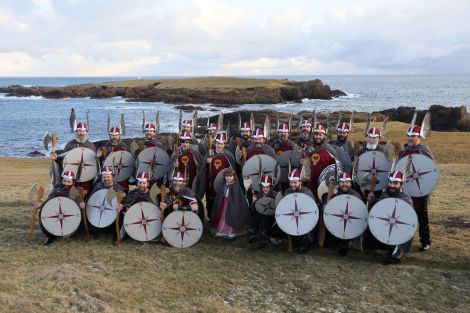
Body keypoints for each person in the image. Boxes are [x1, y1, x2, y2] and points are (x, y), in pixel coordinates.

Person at [398, 125, 435, 251]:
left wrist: (426, 187)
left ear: (420, 137)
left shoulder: (424, 151)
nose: (410, 138)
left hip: (421, 190)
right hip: (406, 189)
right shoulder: (403, 152)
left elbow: (431, 171)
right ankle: (403, 243)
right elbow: (399, 171)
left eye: (413, 136)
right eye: (409, 136)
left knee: (422, 216)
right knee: (405, 216)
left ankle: (425, 241)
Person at [367, 170, 414, 265]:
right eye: (390, 182)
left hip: (400, 228)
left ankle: (395, 256)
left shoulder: (405, 199)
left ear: (401, 184)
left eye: (395, 183)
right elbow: (377, 209)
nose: (392, 185)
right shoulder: (386, 194)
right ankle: (382, 245)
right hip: (387, 225)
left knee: (399, 227)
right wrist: (372, 202)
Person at [196, 132, 236, 221]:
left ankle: (221, 219)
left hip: (222, 183)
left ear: (224, 144)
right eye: (218, 143)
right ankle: (210, 217)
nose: (219, 146)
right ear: (215, 143)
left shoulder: (227, 155)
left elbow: (231, 170)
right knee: (210, 200)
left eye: (221, 144)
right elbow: (202, 169)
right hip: (210, 182)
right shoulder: (209, 154)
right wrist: (207, 163)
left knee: (221, 200)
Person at [50, 121, 97, 193]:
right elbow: (63, 158)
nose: (81, 133)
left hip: (87, 176)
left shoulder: (91, 146)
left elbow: (95, 162)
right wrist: (56, 158)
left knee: (86, 192)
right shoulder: (70, 144)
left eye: (83, 131)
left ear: (86, 132)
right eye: (79, 131)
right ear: (76, 132)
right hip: (71, 176)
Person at [35, 171, 79, 245]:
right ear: (62, 180)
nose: (66, 183)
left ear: (73, 182)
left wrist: (80, 206)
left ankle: (67, 232)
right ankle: (50, 235)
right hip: (55, 211)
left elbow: (77, 205)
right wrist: (42, 204)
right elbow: (49, 200)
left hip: (69, 214)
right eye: (64, 181)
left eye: (69, 181)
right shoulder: (56, 189)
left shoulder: (74, 191)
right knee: (47, 213)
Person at [211, 168, 251, 239]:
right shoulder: (223, 185)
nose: (228, 178)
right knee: (223, 217)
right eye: (227, 176)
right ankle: (222, 230)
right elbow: (220, 195)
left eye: (230, 176)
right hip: (224, 204)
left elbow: (239, 199)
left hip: (233, 205)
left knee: (231, 216)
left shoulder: (236, 186)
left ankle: (230, 232)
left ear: (234, 176)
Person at [330, 172, 363, 256]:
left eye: (347, 182)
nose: (344, 184)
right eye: (342, 182)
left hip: (351, 222)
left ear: (350, 183)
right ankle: (341, 245)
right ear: (339, 183)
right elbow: (329, 207)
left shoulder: (355, 195)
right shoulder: (335, 194)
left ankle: (349, 245)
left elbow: (359, 211)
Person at [283, 169, 316, 253]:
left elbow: (311, 211)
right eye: (291, 182)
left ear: (300, 182)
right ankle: (295, 240)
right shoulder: (288, 191)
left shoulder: (307, 193)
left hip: (305, 219)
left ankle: (305, 242)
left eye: (295, 182)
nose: (292, 185)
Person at [249, 175, 281, 248]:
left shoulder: (276, 195)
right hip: (261, 215)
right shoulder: (259, 195)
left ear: (271, 187)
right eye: (263, 187)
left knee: (264, 220)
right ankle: (253, 235)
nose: (265, 189)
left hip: (273, 218)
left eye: (267, 187)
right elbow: (253, 210)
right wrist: (254, 203)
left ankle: (264, 241)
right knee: (253, 218)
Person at [271, 123, 300, 192]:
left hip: (288, 172)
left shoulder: (292, 145)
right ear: (278, 133)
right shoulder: (273, 144)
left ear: (288, 133)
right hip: (276, 172)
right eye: (281, 132)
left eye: (285, 132)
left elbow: (299, 155)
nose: (283, 134)